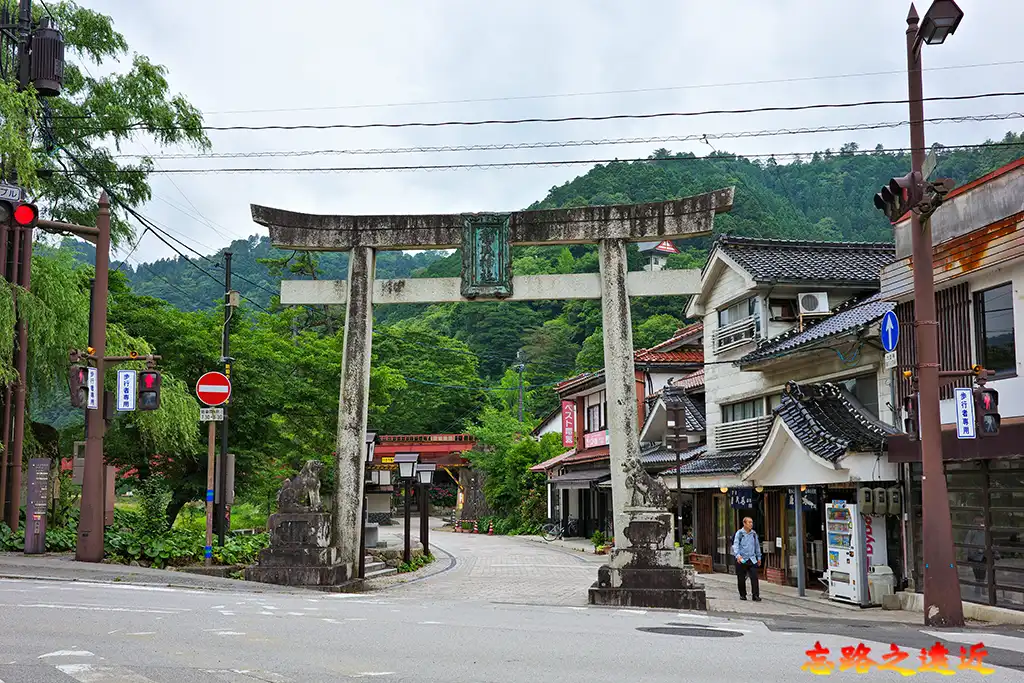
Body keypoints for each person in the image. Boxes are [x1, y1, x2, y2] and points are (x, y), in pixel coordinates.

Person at [732, 516, 762, 601]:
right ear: (744, 523)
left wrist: (759, 557)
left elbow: (757, 546)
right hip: (742, 559)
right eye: (749, 522)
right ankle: (743, 594)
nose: (751, 524)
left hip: (752, 559)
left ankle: (755, 595)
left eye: (752, 522)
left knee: (754, 577)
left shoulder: (754, 534)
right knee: (741, 578)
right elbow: (736, 545)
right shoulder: (739, 533)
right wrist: (738, 555)